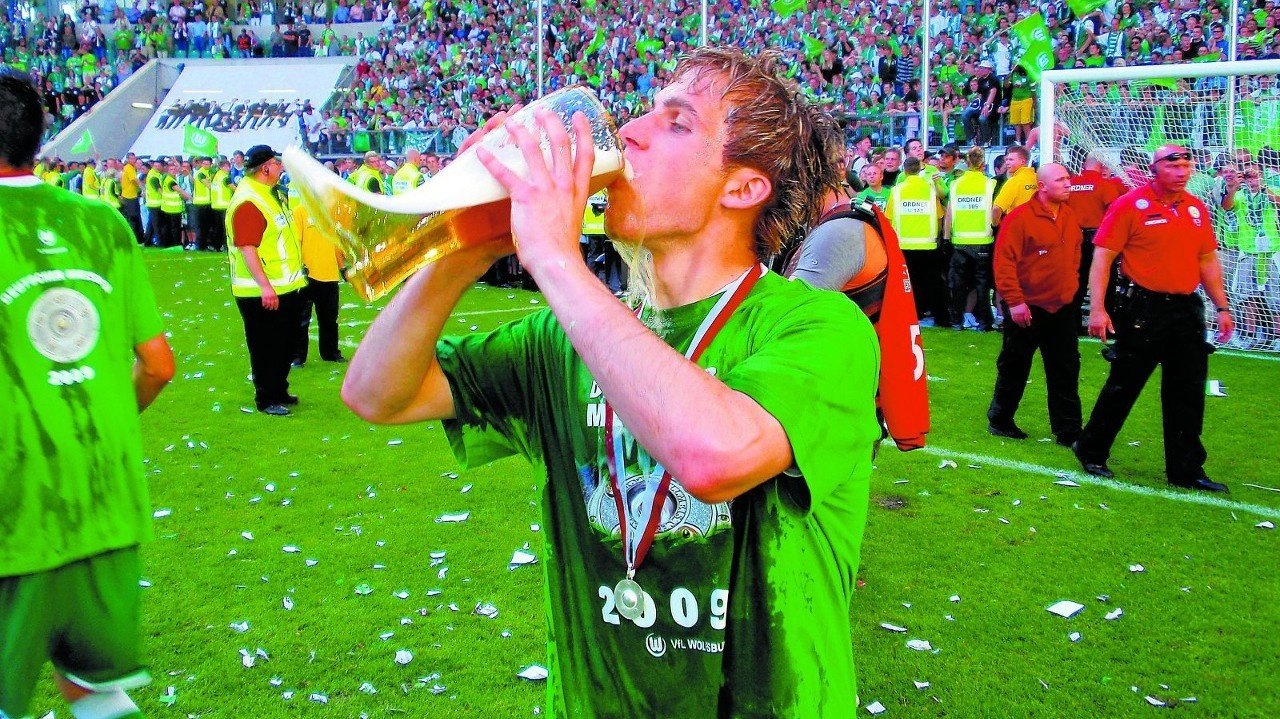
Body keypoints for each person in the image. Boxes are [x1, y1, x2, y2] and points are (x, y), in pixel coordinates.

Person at [342, 47, 879, 715]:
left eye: (676, 122)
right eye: (645, 112)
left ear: (743, 189)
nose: (628, 132)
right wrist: (467, 244)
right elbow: (376, 392)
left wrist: (552, 256)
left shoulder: (820, 326)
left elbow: (715, 455)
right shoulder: (565, 336)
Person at [0, 68, 175, 719]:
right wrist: (103, 426)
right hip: (104, 489)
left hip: (14, 499)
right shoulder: (103, 222)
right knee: (94, 686)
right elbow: (157, 364)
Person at [1073, 145, 1234, 492]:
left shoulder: (1195, 208)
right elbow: (1102, 258)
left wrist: (1222, 307)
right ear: (1154, 169)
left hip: (1186, 309)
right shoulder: (1130, 205)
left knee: (1188, 390)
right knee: (1124, 384)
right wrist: (1098, 308)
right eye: (1173, 166)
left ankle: (1186, 469)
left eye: (1186, 166)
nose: (1181, 172)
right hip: (1143, 309)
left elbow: (1207, 259)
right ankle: (1092, 449)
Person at [987, 164, 1083, 444]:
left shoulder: (1068, 215)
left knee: (1065, 368)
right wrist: (1015, 301)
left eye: (1068, 178)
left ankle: (1068, 430)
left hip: (1062, 306)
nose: (1068, 183)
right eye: (1061, 180)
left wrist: (1070, 286)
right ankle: (1000, 419)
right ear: (1042, 186)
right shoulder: (1019, 219)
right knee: (1015, 366)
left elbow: (1075, 254)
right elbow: (1004, 262)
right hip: (1028, 307)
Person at [226, 144, 307, 416]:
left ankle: (279, 389)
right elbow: (247, 247)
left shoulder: (268, 193)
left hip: (285, 285)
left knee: (285, 342)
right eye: (276, 163)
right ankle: (266, 397)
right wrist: (264, 286)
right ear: (265, 168)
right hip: (261, 290)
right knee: (266, 346)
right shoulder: (249, 200)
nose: (281, 167)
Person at [889, 156, 950, 327]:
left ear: (904, 170)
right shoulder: (930, 189)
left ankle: (910, 315)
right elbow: (939, 216)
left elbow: (889, 218)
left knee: (908, 284)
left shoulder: (896, 191)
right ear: (921, 168)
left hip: (904, 244)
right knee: (934, 282)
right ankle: (941, 318)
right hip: (928, 243)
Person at [945, 145, 996, 330]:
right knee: (982, 285)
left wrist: (946, 238)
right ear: (983, 164)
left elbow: (949, 213)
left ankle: (956, 321)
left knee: (958, 285)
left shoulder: (956, 184)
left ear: (966, 163)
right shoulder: (990, 184)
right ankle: (984, 322)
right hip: (983, 241)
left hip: (959, 241)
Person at [1067, 153, 1122, 322]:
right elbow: (1115, 213)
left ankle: (1073, 322)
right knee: (1106, 280)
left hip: (1075, 238)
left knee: (1077, 281)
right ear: (1102, 165)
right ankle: (1106, 321)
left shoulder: (1071, 183)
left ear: (1084, 164)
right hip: (1099, 239)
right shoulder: (1105, 185)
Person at [293, 199, 346, 364]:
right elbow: (296, 242)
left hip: (329, 274)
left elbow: (337, 244)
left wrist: (342, 267)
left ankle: (330, 353)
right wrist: (298, 266)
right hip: (307, 273)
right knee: (301, 319)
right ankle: (297, 356)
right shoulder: (300, 211)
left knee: (329, 318)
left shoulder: (332, 213)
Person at [990, 145, 1037, 227]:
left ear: (1022, 162)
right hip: (1036, 225)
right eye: (1007, 159)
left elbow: (996, 208)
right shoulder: (1037, 178)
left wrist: (995, 225)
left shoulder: (1014, 181)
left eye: (1011, 160)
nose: (1007, 163)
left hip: (1017, 227)